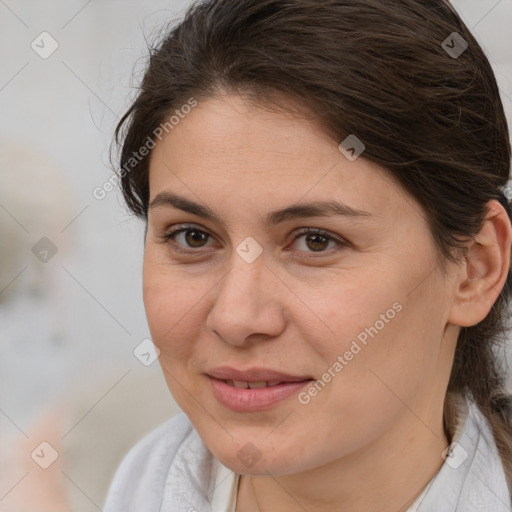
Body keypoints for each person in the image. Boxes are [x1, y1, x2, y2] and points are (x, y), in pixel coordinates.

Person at [103, 0, 512, 510]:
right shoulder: (140, 484)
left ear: (475, 267)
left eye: (316, 240)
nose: (236, 318)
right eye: (193, 237)